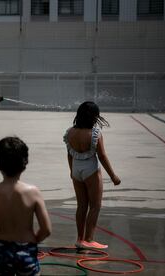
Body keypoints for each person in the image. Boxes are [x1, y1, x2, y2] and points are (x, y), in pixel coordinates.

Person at [0, 136, 52, 276]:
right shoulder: (33, 192)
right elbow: (46, 229)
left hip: (2, 247)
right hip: (26, 247)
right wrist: (32, 241)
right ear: (25, 163)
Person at [63, 101, 121, 250]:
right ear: (94, 116)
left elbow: (69, 154)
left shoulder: (70, 132)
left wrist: (71, 171)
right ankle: (89, 239)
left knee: (81, 205)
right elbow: (101, 156)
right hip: (91, 169)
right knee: (95, 205)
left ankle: (79, 239)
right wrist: (113, 176)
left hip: (76, 169)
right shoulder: (95, 133)